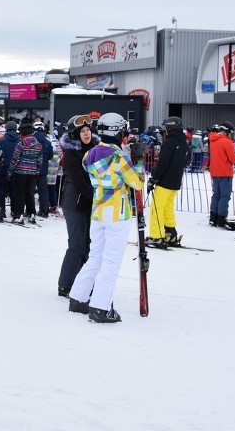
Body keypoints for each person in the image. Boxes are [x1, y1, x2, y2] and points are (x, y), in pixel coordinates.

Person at [67, 113, 143, 323]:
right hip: (117, 213)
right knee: (110, 262)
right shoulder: (119, 157)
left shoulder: (89, 155)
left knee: (95, 257)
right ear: (118, 131)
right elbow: (137, 182)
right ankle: (100, 307)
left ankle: (78, 298)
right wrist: (140, 161)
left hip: (98, 212)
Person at [57, 114, 98, 297]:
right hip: (75, 203)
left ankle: (83, 283)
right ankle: (65, 284)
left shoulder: (96, 150)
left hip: (89, 203)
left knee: (88, 245)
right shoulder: (72, 155)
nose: (86, 133)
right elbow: (80, 183)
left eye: (88, 129)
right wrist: (99, 196)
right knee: (76, 246)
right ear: (75, 134)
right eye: (82, 131)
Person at [146, 116, 189, 247]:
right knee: (167, 208)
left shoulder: (169, 143)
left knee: (157, 208)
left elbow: (162, 164)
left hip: (164, 181)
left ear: (171, 128)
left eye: (167, 128)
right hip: (175, 181)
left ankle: (156, 236)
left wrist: (153, 179)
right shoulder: (184, 143)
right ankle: (170, 233)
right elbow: (186, 161)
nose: (165, 131)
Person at [7, 122, 43, 224]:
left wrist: (9, 172)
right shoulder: (39, 145)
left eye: (20, 133)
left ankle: (19, 215)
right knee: (29, 193)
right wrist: (37, 172)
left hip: (20, 172)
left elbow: (15, 159)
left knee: (20, 194)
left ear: (23, 133)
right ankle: (32, 214)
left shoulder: (21, 144)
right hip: (32, 173)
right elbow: (40, 160)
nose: (19, 135)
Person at [208, 121, 235, 229]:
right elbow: (231, 157)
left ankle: (213, 217)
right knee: (224, 196)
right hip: (225, 172)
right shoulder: (226, 142)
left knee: (216, 194)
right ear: (227, 132)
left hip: (214, 171)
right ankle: (221, 218)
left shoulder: (213, 140)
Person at [32, 121, 54, 217]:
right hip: (43, 170)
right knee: (43, 192)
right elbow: (50, 156)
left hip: (31, 170)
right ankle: (44, 211)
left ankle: (30, 210)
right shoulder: (48, 142)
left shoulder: (31, 140)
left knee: (30, 191)